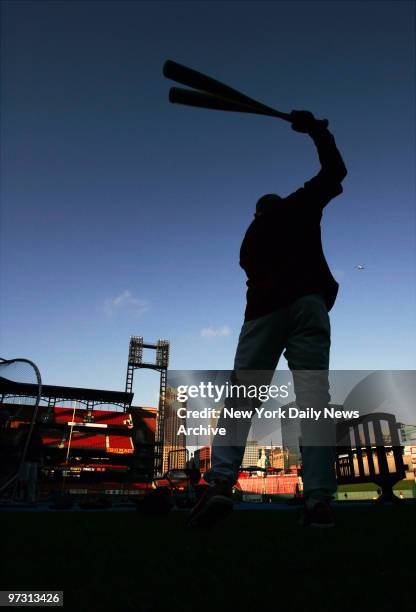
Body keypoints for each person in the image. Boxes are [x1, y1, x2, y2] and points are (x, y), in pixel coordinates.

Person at [188, 110, 347, 529]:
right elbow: (335, 171)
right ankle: (317, 501)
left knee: (241, 399)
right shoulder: (297, 208)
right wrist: (316, 130)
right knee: (315, 404)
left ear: (257, 213)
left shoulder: (251, 239)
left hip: (264, 312)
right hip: (308, 304)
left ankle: (221, 483)